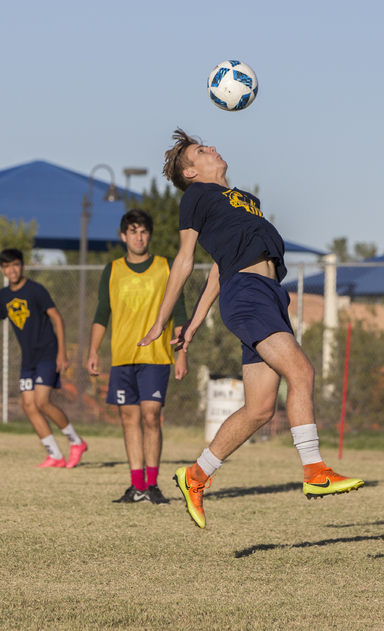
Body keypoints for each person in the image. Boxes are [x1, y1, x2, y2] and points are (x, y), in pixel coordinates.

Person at [138, 129, 364, 529]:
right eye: (201, 151)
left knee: (260, 408)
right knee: (302, 372)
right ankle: (315, 471)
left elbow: (217, 272)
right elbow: (185, 260)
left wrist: (191, 325)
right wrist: (163, 319)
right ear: (190, 172)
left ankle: (195, 476)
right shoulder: (196, 197)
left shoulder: (245, 200)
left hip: (269, 294)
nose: (212, 149)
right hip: (248, 295)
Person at [87, 209, 189, 504]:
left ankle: (153, 484)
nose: (139, 237)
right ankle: (137, 486)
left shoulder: (165, 266)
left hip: (156, 356)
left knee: (151, 415)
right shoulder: (113, 269)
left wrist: (182, 354)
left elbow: (180, 312)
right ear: (124, 236)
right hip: (122, 356)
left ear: (150, 236)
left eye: (143, 231)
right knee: (129, 418)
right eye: (133, 231)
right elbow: (101, 313)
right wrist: (93, 350)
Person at [0, 248, 88, 468]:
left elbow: (57, 318)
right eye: (7, 266)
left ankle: (76, 442)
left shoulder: (35, 290)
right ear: (2, 269)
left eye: (16, 264)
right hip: (28, 360)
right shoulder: (3, 297)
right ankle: (55, 455)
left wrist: (62, 352)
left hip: (48, 353)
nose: (12, 269)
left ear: (22, 266)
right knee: (29, 405)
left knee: (42, 402)